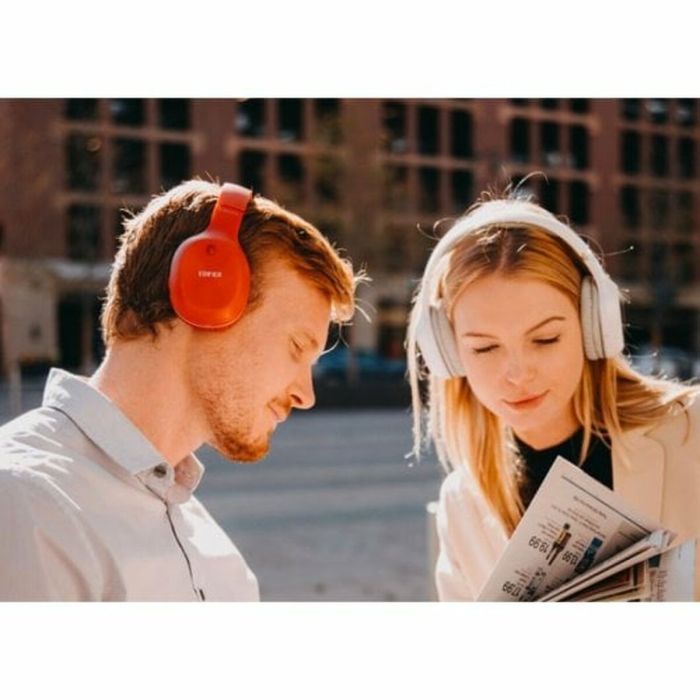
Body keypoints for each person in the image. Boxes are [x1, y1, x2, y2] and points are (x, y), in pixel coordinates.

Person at [0, 179, 361, 601]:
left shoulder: (213, 551)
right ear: (205, 296)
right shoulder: (26, 505)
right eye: (297, 348)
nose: (306, 395)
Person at [407, 192, 700, 601]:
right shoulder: (462, 505)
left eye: (545, 339)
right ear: (449, 354)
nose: (517, 374)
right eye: (485, 348)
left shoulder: (692, 431)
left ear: (593, 327)